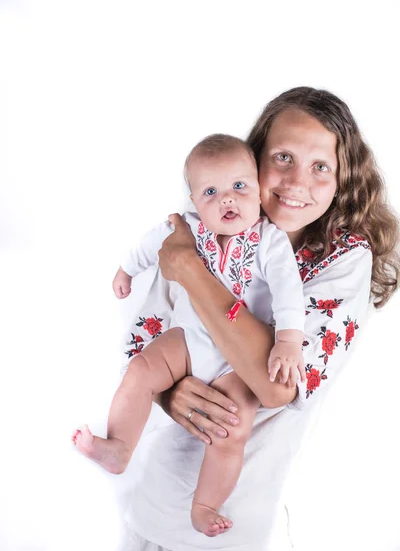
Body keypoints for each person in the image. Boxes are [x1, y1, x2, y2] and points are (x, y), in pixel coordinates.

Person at [115, 87, 399, 551]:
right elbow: (145, 341)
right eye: (282, 157)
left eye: (320, 167)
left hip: (238, 528)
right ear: (255, 158)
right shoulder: (203, 227)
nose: (295, 182)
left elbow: (277, 385)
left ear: (342, 177)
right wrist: (169, 392)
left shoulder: (343, 258)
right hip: (154, 507)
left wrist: (189, 268)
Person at [72, 134, 307, 537]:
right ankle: (119, 447)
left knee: (231, 428)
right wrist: (126, 269)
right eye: (211, 192)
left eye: (239, 187)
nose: (227, 200)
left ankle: (205, 504)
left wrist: (287, 340)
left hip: (240, 359)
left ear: (259, 191)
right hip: (188, 340)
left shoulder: (268, 242)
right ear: (195, 202)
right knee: (141, 369)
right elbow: (151, 245)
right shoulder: (190, 230)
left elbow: (289, 291)